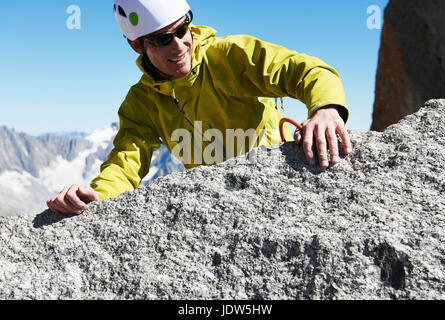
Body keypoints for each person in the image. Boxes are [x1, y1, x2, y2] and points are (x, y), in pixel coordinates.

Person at [47, 0, 353, 215]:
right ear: (136, 45)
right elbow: (126, 161)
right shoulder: (141, 104)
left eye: (182, 30)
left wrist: (326, 109)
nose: (179, 46)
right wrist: (96, 196)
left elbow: (304, 70)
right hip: (218, 204)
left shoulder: (229, 58)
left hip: (279, 183)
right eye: (162, 39)